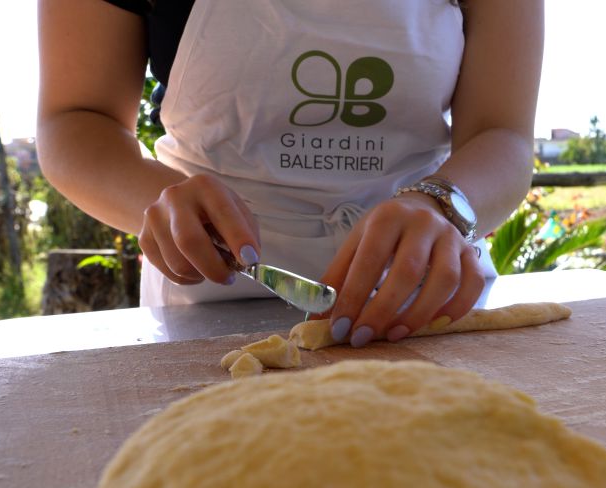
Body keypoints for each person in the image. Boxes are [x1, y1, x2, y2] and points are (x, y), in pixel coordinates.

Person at [36, 0, 544, 347]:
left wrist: (438, 203)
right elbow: (76, 119)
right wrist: (165, 199)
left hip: (427, 299)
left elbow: (502, 134)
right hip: (209, 304)